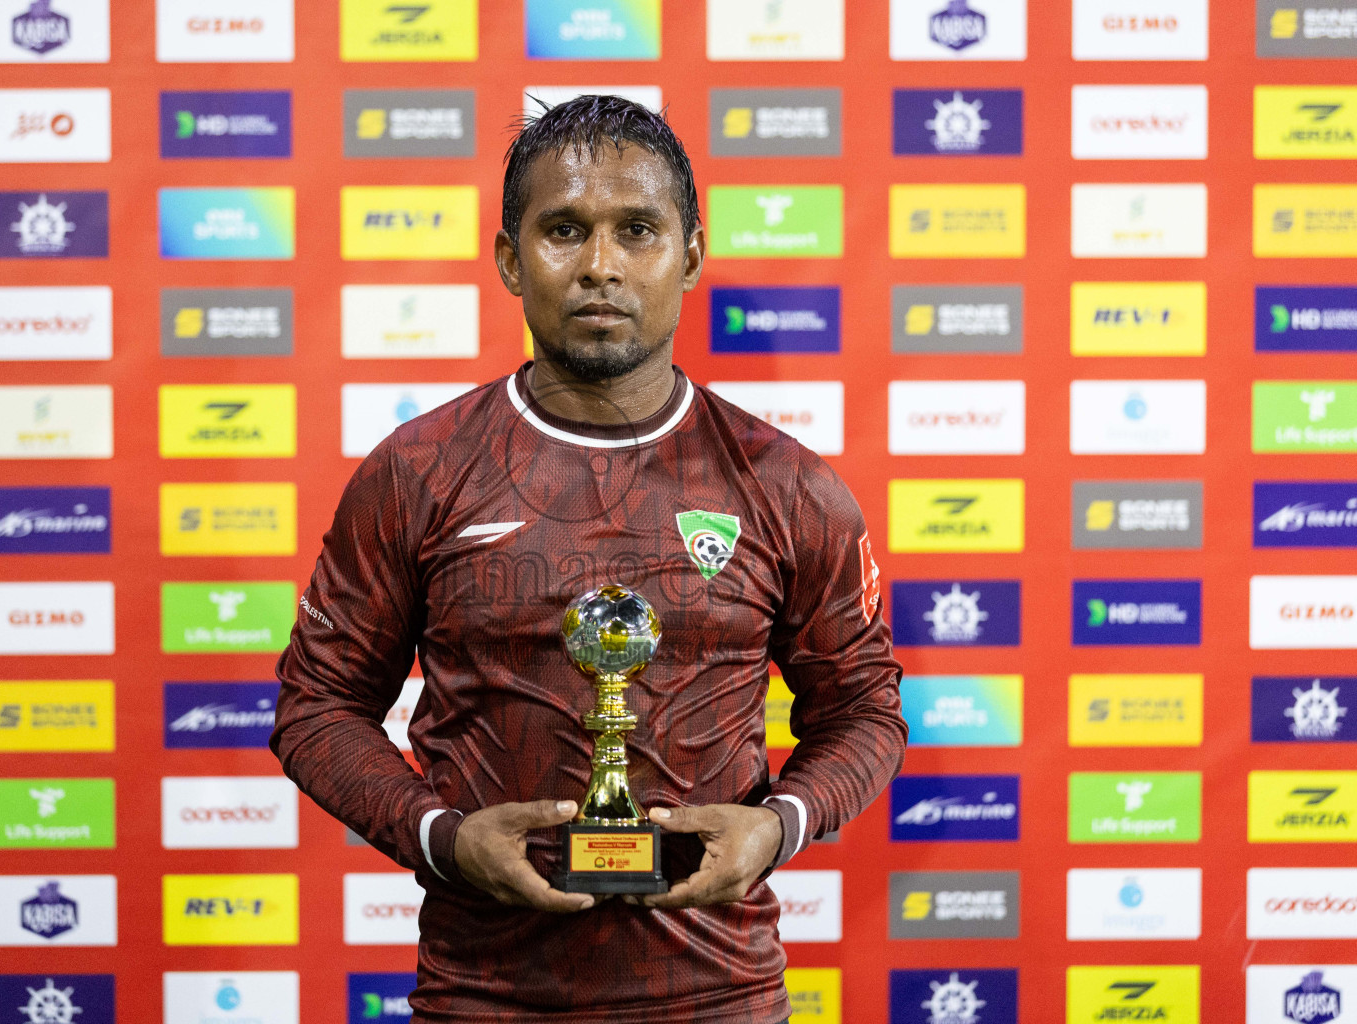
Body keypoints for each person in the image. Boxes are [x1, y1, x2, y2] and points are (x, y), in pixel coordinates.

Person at [271, 94, 906, 1024]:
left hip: (718, 995)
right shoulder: (417, 472)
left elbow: (865, 708)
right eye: (564, 230)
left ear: (690, 254)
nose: (600, 266)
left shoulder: (786, 484)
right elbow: (317, 704)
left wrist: (776, 829)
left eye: (637, 231)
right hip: (482, 996)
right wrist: (441, 840)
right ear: (507, 258)